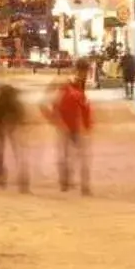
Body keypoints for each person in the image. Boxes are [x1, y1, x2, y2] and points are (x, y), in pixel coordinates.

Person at [49, 63, 94, 194]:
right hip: (67, 126)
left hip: (74, 126)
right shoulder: (68, 86)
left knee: (77, 155)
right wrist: (60, 122)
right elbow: (57, 105)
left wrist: (87, 125)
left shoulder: (80, 87)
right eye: (84, 72)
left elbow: (85, 107)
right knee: (68, 155)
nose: (85, 75)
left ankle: (79, 184)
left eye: (86, 72)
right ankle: (67, 180)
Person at [0, 79, 29, 191]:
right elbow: (21, 114)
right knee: (19, 153)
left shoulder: (0, 101)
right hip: (13, 126)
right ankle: (23, 181)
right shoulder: (15, 101)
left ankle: (1, 176)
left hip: (4, 126)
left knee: (1, 153)